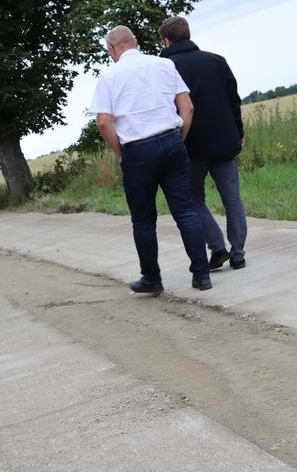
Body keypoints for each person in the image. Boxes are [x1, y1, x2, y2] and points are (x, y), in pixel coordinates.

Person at [89, 25, 211, 294]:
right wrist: (179, 137)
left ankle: (152, 280)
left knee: (143, 220)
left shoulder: (109, 76)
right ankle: (202, 275)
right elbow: (187, 106)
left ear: (111, 49)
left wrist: (121, 153)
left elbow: (103, 122)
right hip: (172, 142)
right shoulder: (164, 64)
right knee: (186, 211)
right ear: (136, 42)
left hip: (137, 151)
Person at [160, 16, 248, 270]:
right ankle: (238, 254)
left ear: (166, 40)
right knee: (233, 200)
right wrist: (238, 132)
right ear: (187, 34)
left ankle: (217, 246)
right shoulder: (216, 60)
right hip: (224, 142)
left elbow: (170, 107)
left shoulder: (165, 67)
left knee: (193, 199)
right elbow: (234, 100)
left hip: (190, 147)